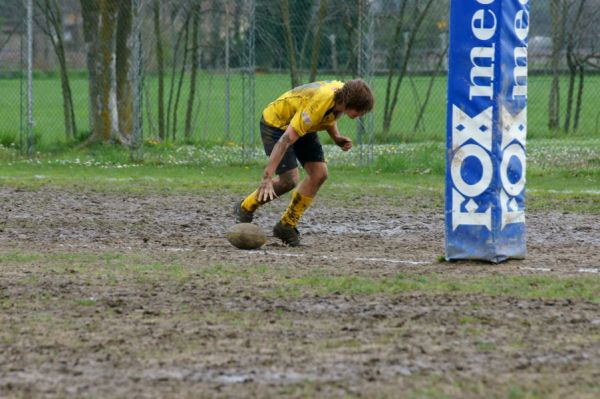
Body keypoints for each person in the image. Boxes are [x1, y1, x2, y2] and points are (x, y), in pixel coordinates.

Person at [234, 79, 374, 246]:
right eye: (359, 110)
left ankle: (286, 225)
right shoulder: (320, 102)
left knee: (319, 174)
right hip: (277, 124)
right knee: (289, 180)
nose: (361, 114)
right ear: (349, 102)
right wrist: (266, 177)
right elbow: (286, 139)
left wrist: (336, 137)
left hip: (302, 124)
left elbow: (329, 115)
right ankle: (245, 207)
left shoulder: (341, 96)